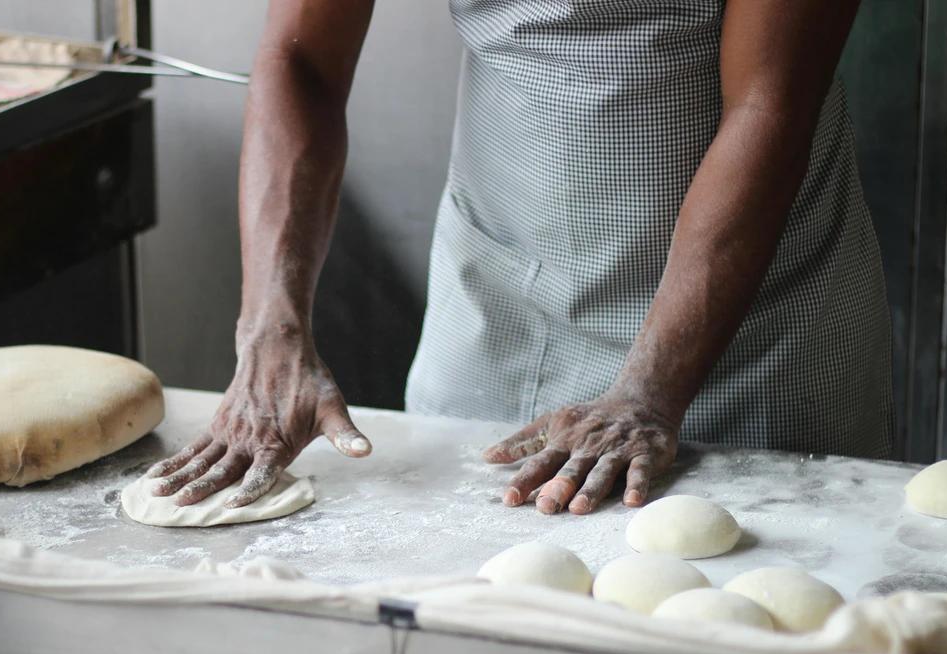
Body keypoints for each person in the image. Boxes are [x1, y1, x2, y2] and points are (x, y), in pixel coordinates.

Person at [148, 0, 892, 517]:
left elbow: (769, 104)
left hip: (748, 328)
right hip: (498, 297)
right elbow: (302, 60)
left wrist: (650, 391)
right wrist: (270, 327)